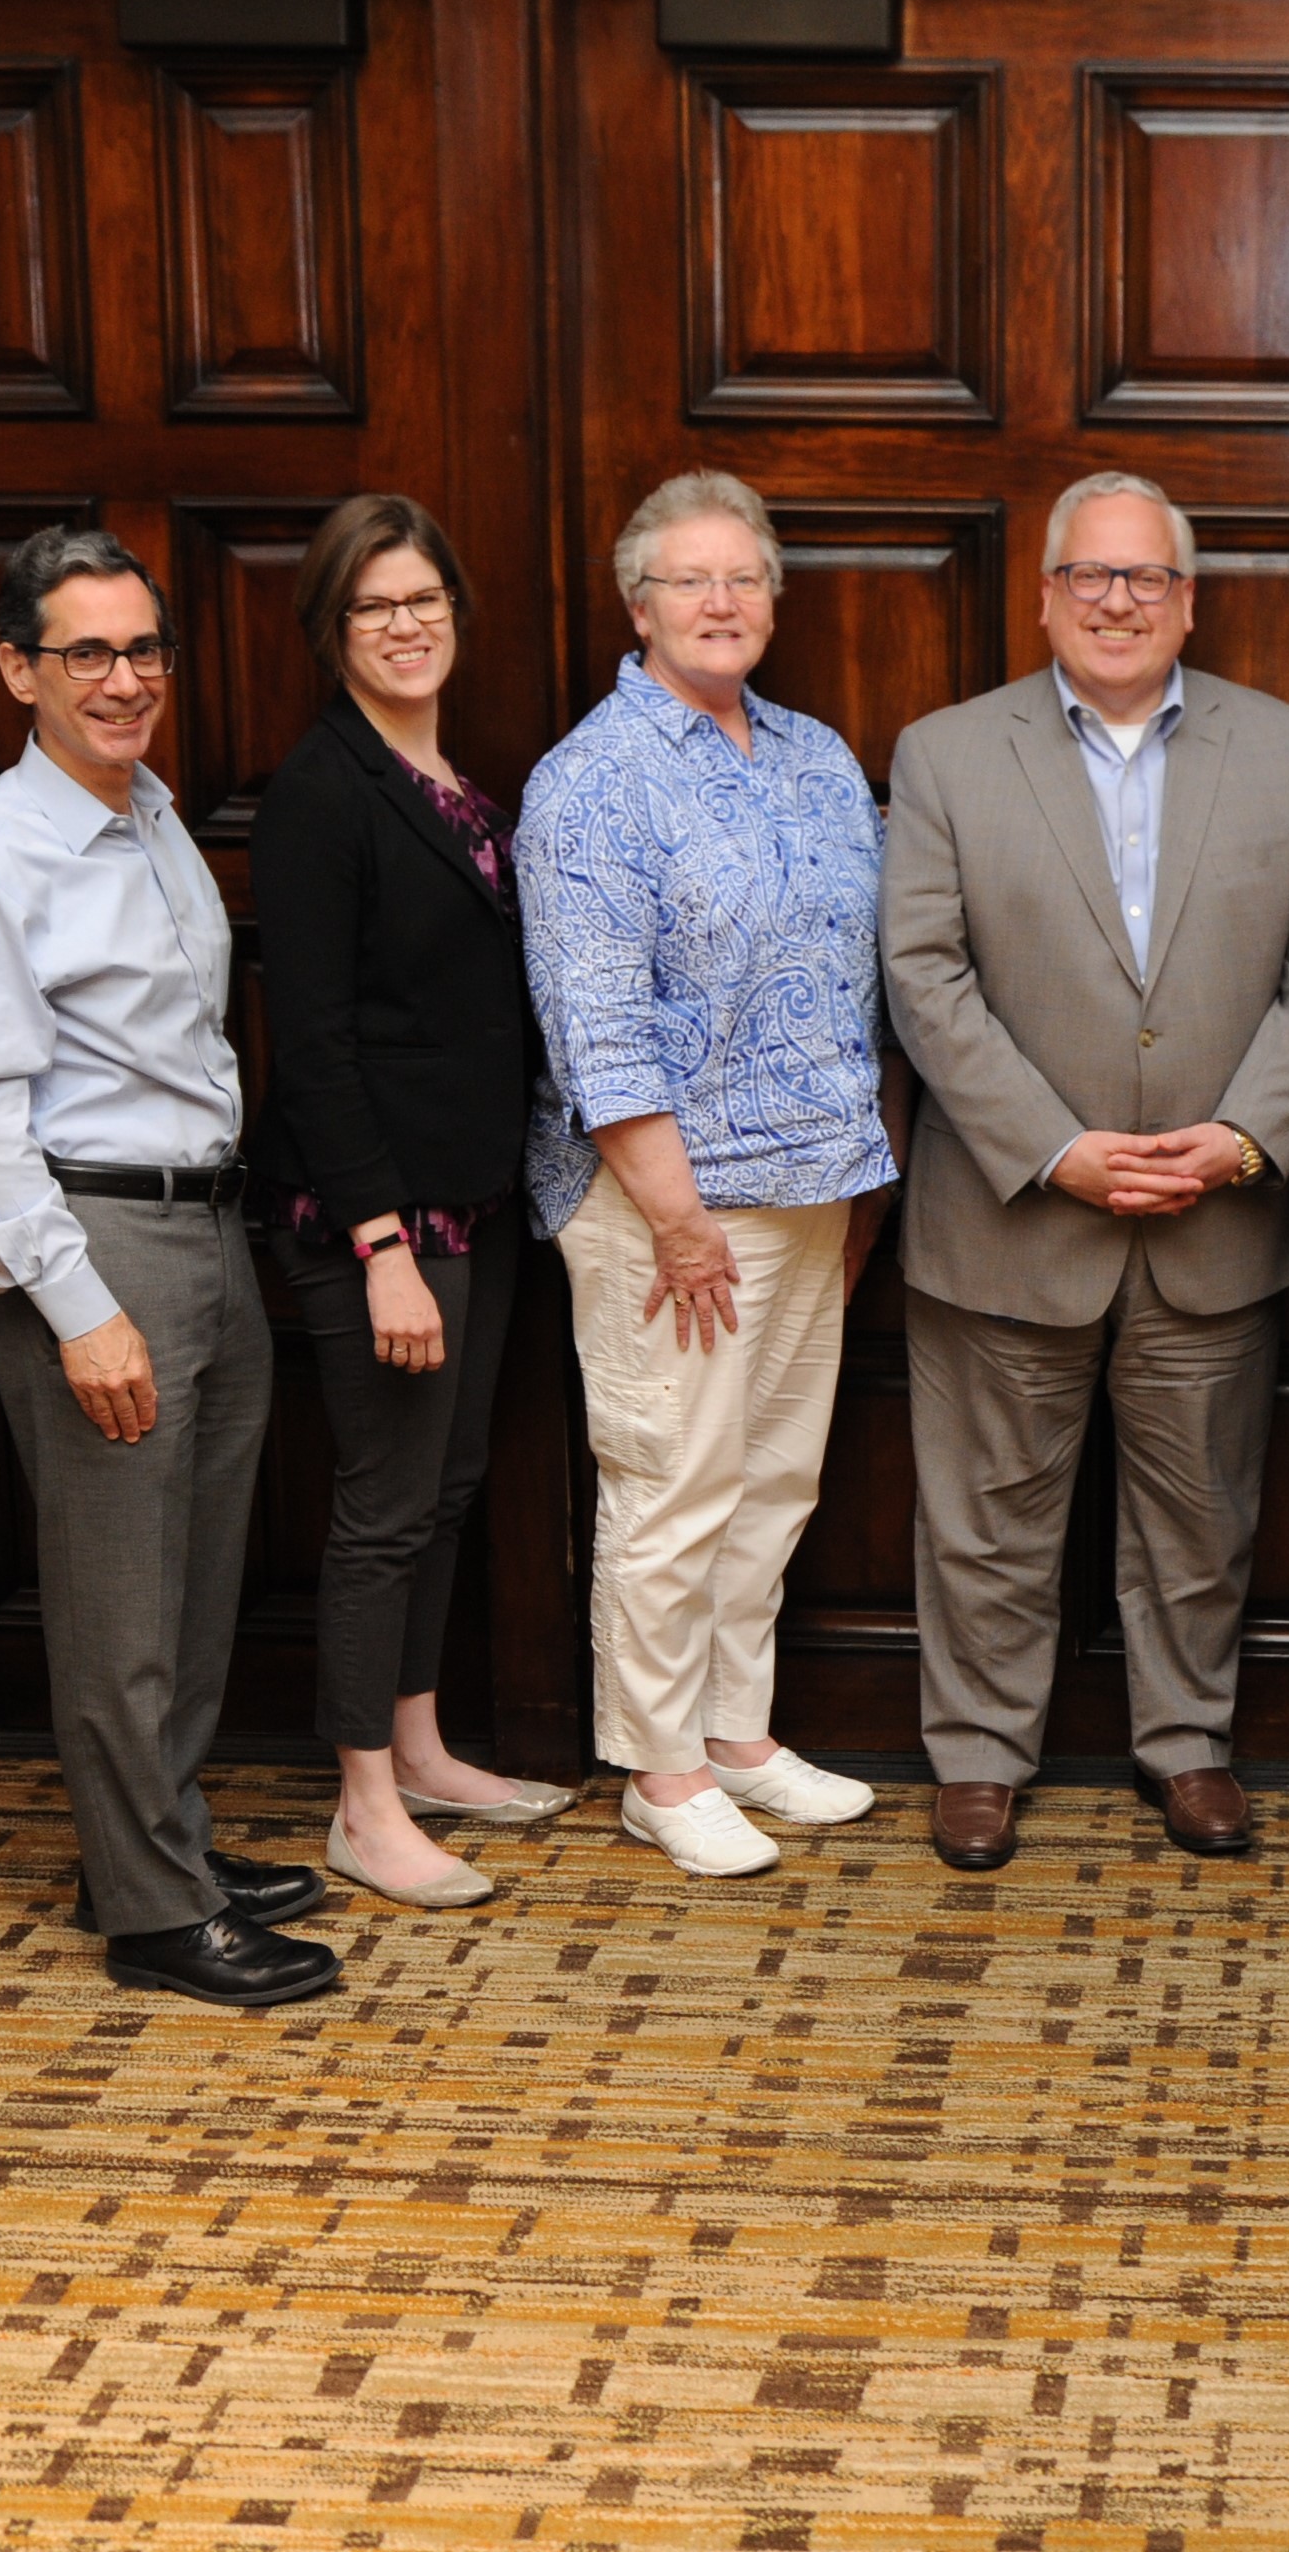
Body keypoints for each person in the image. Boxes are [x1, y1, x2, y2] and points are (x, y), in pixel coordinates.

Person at [882, 471, 1289, 1872]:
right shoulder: (947, 753)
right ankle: (976, 1760)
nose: (1115, 600)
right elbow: (923, 975)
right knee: (983, 1525)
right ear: (1043, 596)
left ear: (1187, 600)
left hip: (1217, 1215)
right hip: (1010, 1215)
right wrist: (1056, 1148)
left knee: (1202, 1520)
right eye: (1087, 576)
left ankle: (1187, 1745)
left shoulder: (1283, 750)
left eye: (1143, 577)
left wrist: (1244, 1136)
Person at [0, 525, 337, 2010]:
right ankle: (153, 1917)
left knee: (194, 1582)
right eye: (88, 651)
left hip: (207, 1224)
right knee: (116, 1601)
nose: (126, 677)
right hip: (96, 1243)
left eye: (143, 647)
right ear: (18, 667)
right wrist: (82, 1313)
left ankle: (155, 1846)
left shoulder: (148, 813)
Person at [520, 471, 898, 1881]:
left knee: (771, 1480)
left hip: (813, 1192)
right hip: (664, 1206)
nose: (722, 602)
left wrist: (862, 1184)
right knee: (672, 1481)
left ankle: (739, 1734)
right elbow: (597, 1022)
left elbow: (855, 981)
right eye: (691, 581)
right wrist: (676, 1222)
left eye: (744, 578)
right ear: (640, 606)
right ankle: (658, 1767)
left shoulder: (810, 754)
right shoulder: (590, 783)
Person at [250, 494, 568, 1914]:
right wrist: (379, 1245)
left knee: (441, 1494)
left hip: (476, 1202)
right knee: (381, 1510)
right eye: (375, 606)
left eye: (424, 599)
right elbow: (308, 1041)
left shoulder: (453, 784)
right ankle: (363, 1805)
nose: (406, 625)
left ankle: (425, 1747)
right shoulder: (323, 792)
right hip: (380, 1222)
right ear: (334, 629)